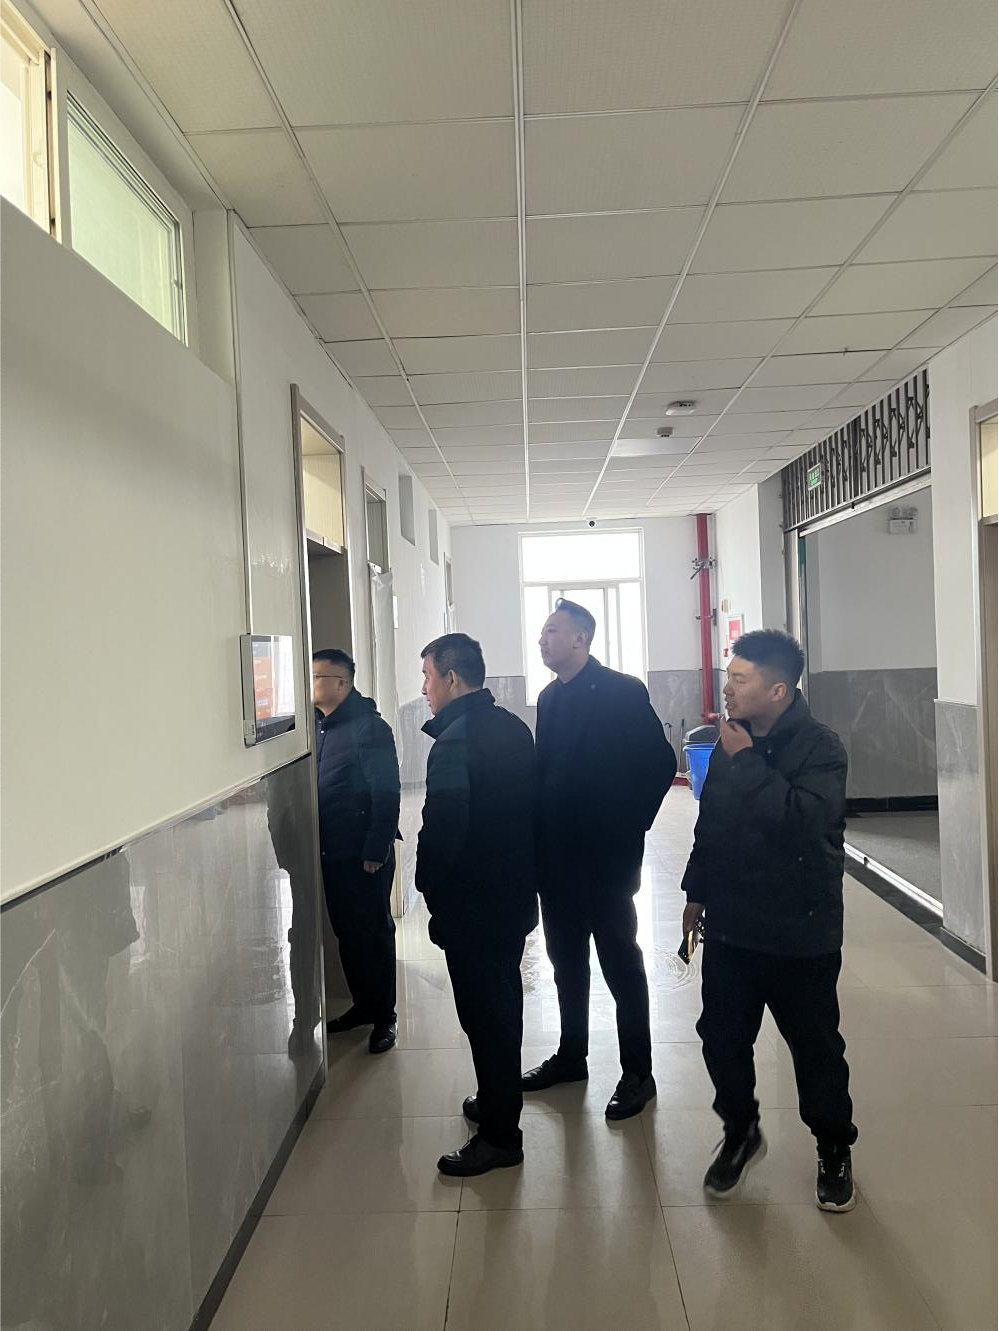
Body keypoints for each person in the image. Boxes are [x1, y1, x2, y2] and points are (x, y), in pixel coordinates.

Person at [682, 629, 857, 1212]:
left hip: (799, 930)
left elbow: (802, 823)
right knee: (721, 1038)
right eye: (728, 677)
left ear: (777, 690)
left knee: (815, 1048)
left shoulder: (820, 748)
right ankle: (740, 1129)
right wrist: (696, 892)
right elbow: (712, 823)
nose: (727, 689)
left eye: (740, 679)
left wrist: (748, 761)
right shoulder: (732, 740)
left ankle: (833, 1145)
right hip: (732, 924)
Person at [527, 598, 677, 1120]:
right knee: (566, 962)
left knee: (620, 964)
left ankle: (638, 1072)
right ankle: (572, 1056)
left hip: (606, 861)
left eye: (551, 631)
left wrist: (629, 825)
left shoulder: (622, 691)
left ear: (580, 639)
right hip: (556, 861)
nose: (542, 640)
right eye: (541, 632)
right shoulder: (548, 698)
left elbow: (660, 763)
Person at [416, 633, 538, 1177]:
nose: (424, 689)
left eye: (427, 677)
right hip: (510, 897)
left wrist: (426, 884)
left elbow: (443, 829)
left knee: (486, 1017)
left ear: (451, 678)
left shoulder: (454, 742)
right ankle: (495, 1101)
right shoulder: (512, 727)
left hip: (475, 905)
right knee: (500, 1006)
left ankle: (501, 1138)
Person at [313, 649, 401, 1055]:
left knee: (374, 936)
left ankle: (385, 1017)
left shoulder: (370, 727)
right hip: (333, 854)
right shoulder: (319, 727)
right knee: (348, 936)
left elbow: (387, 791)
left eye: (318, 677)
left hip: (364, 856)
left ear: (341, 684)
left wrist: (376, 848)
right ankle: (363, 1006)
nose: (311, 685)